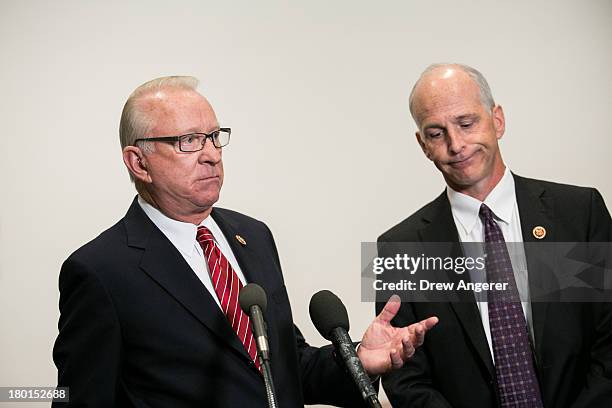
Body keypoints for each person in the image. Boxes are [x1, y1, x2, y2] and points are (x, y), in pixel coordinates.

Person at [52, 76, 438, 407]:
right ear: (139, 162)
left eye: (214, 137)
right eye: (189, 140)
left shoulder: (253, 235)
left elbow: (283, 368)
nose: (211, 155)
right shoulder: (100, 272)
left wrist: (357, 359)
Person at [377, 63, 612, 407]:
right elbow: (407, 382)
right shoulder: (399, 247)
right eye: (436, 133)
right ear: (422, 144)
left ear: (497, 120)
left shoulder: (579, 213)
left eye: (466, 123)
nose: (456, 144)